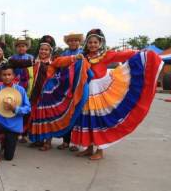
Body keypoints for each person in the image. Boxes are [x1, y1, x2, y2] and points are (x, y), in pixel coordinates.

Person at [71, 29, 163, 160]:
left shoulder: (106, 55)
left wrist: (140, 52)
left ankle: (100, 150)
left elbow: (124, 55)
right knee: (86, 120)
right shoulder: (83, 57)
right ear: (86, 43)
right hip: (86, 91)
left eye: (95, 42)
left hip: (100, 90)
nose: (92, 45)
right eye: (90, 42)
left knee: (98, 120)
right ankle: (88, 148)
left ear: (101, 43)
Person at [0, 64, 31, 166]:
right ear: (1, 76)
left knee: (9, 157)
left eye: (9, 74)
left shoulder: (20, 90)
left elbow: (27, 108)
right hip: (0, 121)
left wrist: (16, 109)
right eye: (4, 75)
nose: (7, 77)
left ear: (13, 76)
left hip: (14, 125)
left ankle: (6, 144)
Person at [57, 33, 84, 151]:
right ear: (68, 43)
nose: (73, 42)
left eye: (75, 40)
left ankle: (75, 143)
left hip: (80, 87)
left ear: (79, 42)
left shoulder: (84, 53)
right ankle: (66, 141)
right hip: (66, 88)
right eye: (71, 41)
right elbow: (59, 66)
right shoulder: (64, 54)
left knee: (78, 115)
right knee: (66, 115)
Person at [9, 36, 34, 143]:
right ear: (16, 48)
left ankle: (24, 133)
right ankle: (15, 131)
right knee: (14, 107)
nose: (21, 48)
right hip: (15, 85)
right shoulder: (12, 58)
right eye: (19, 46)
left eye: (23, 46)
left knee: (26, 109)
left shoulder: (31, 58)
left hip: (27, 86)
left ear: (26, 47)